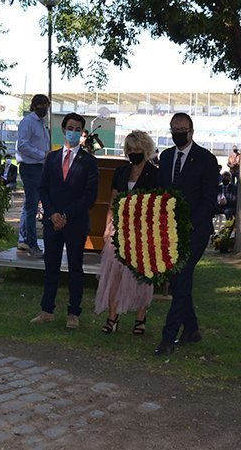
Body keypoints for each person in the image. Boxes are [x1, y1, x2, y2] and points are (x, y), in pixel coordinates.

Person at [152, 113, 217, 356]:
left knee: (182, 275)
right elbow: (161, 193)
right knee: (180, 281)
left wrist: (188, 224)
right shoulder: (167, 157)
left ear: (191, 130)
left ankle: (168, 337)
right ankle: (192, 329)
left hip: (195, 231)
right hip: (169, 231)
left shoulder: (206, 159)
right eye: (174, 128)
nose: (178, 132)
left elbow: (209, 201)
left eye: (182, 128)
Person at [30, 112, 99, 329]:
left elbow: (89, 196)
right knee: (51, 266)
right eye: (70, 128)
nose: (73, 132)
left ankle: (73, 313)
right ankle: (47, 310)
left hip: (76, 223)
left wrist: (66, 215)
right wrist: (52, 214)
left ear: (82, 133)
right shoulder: (51, 158)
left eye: (78, 129)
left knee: (75, 268)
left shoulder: (89, 162)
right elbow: (43, 189)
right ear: (63, 130)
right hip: (52, 222)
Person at [95, 130, 157, 335]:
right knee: (114, 275)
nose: (134, 153)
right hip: (118, 230)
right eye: (130, 150)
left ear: (146, 150)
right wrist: (107, 226)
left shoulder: (155, 174)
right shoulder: (120, 172)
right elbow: (112, 202)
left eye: (138, 149)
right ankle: (112, 317)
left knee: (141, 276)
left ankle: (140, 317)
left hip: (144, 233)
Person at [15, 94, 51, 255]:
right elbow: (23, 145)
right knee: (32, 206)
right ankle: (31, 243)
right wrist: (42, 154)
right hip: (30, 167)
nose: (45, 109)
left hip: (39, 167)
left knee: (29, 204)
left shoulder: (41, 124)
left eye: (47, 106)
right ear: (35, 105)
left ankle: (23, 240)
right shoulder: (28, 122)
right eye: (43, 105)